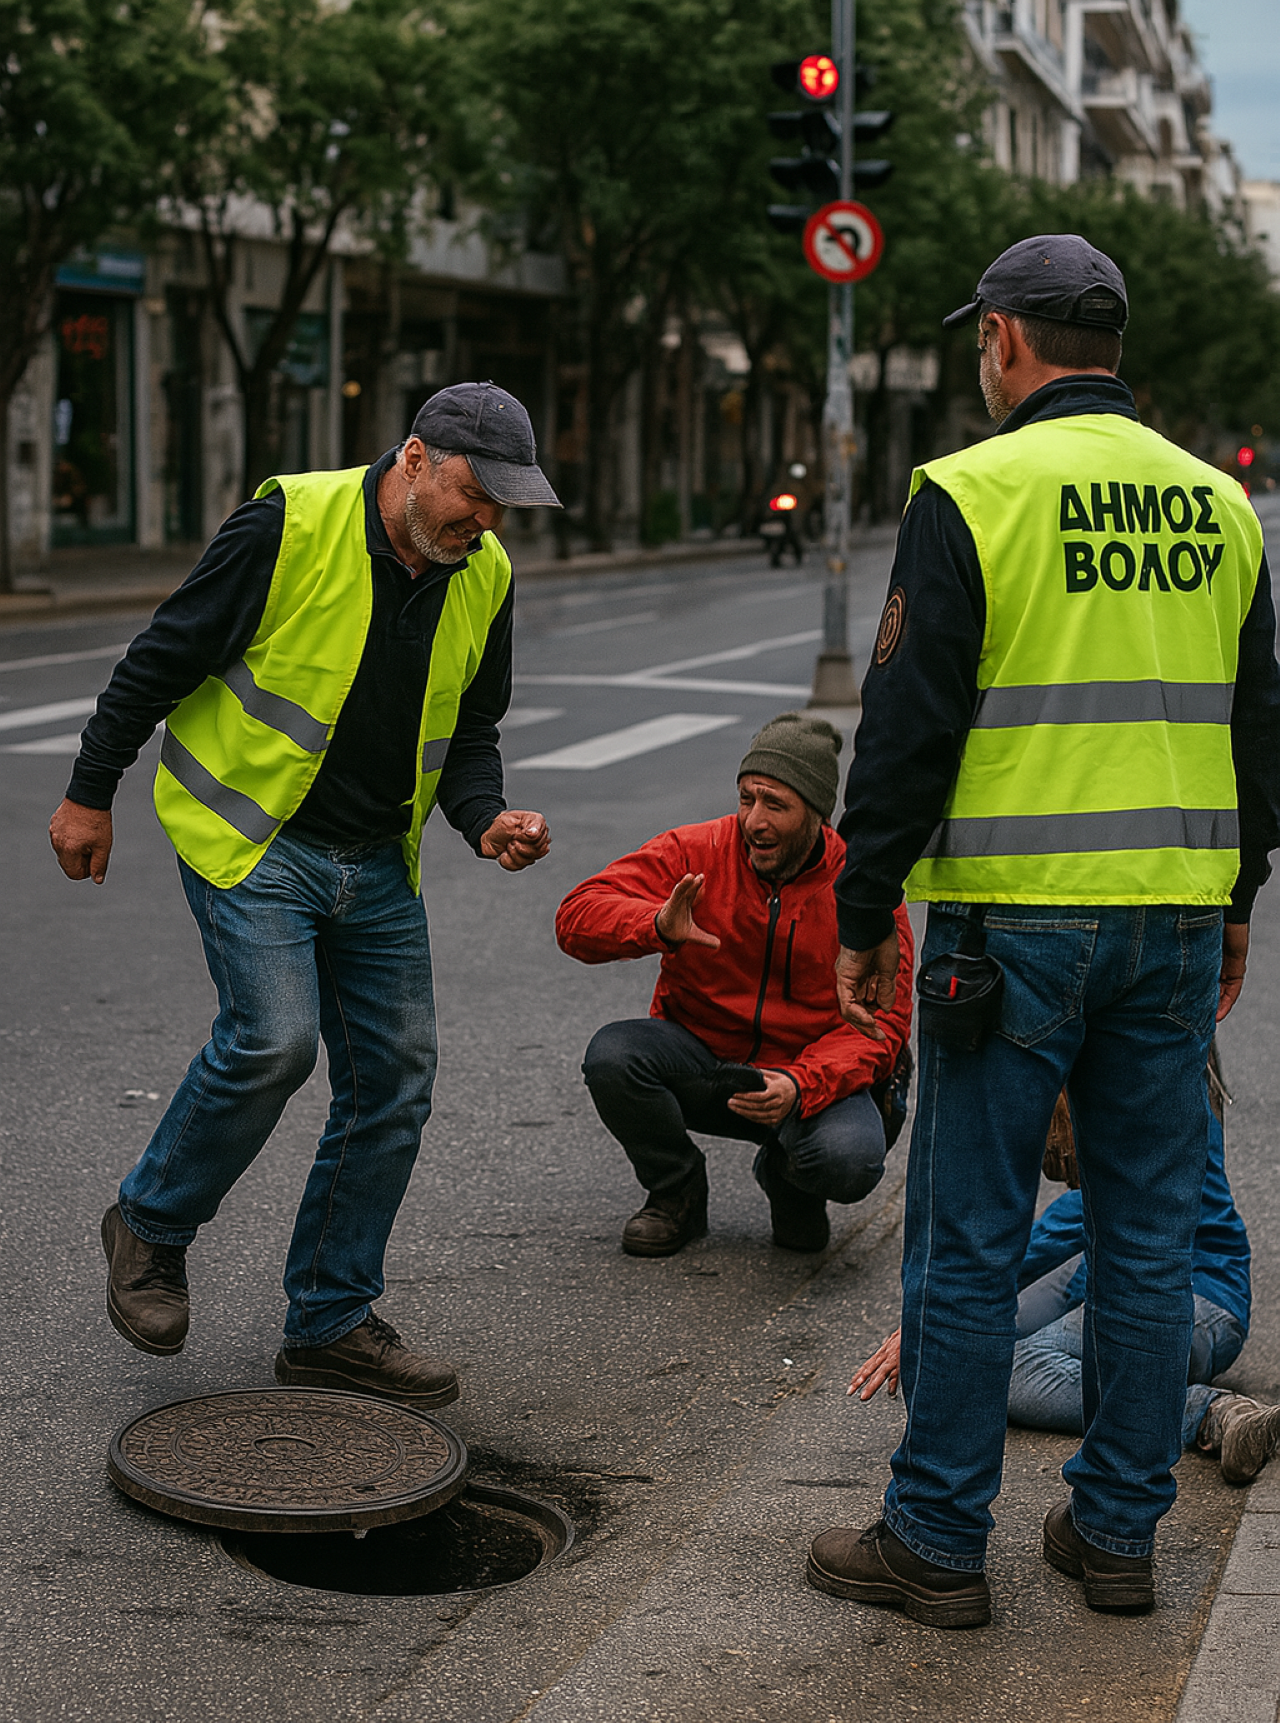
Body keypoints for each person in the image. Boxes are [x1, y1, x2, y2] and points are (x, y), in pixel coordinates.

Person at [809, 234, 1280, 1627]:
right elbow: (1261, 732)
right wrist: (1241, 900)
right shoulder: (1220, 505)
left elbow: (905, 726)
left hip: (1007, 931)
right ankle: (1118, 1536)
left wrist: (861, 908)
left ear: (1007, 341)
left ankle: (941, 1542)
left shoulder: (972, 488)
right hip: (1174, 928)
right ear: (1114, 347)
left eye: (981, 340)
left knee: (965, 1235)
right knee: (1145, 1239)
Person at [49, 381, 559, 1408]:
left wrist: (483, 815)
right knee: (273, 1041)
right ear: (414, 459)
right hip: (253, 834)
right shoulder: (289, 524)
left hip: (375, 859)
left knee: (395, 1076)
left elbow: (471, 735)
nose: (485, 520)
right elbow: (161, 657)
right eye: (472, 493)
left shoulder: (483, 572)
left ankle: (327, 1319)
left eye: (503, 505)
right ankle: (148, 1226)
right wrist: (87, 792)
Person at [555, 715, 913, 1257]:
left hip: (803, 1080)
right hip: (705, 1062)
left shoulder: (860, 887)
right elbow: (576, 915)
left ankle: (789, 1179)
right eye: (747, 798)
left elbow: (882, 1025)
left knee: (849, 1159)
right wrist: (654, 924)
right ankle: (676, 1192)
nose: (754, 821)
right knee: (614, 1056)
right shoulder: (697, 852)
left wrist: (799, 1082)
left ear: (817, 814)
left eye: (776, 804)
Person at [852, 1093, 1280, 1487]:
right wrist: (939, 1319)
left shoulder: (1151, 1085)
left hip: (1198, 1296)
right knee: (956, 1352)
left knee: (1012, 1370)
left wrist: (944, 1312)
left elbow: (1079, 1218)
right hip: (1091, 1269)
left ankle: (1211, 1412)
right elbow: (1061, 1229)